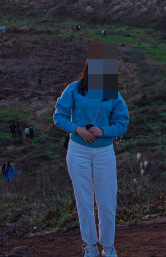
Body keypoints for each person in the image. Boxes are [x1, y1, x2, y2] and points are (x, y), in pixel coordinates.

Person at [55, 44, 129, 257]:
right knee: (84, 201)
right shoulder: (74, 89)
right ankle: (90, 246)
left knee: (107, 200)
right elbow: (58, 116)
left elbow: (122, 124)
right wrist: (77, 129)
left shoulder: (113, 93)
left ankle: (108, 246)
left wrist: (103, 130)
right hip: (78, 151)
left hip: (104, 152)